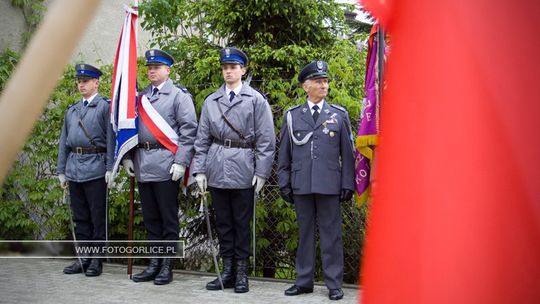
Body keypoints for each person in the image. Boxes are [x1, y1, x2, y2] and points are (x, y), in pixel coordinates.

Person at [191, 47, 275, 293]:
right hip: (217, 166)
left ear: (243, 70)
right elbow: (202, 139)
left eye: (233, 67)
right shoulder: (211, 101)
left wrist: (261, 172)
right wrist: (200, 171)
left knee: (241, 222)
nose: (229, 71)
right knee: (224, 223)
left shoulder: (255, 100)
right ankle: (226, 271)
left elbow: (266, 140)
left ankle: (241, 274)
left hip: (243, 166)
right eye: (225, 67)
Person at [277, 60, 355, 301]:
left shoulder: (338, 115)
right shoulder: (292, 116)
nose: (324, 85)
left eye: (326, 81)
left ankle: (334, 284)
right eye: (319, 82)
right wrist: (284, 182)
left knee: (332, 235)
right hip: (302, 184)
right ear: (305, 86)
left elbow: (347, 153)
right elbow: (284, 153)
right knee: (305, 233)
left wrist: (347, 183)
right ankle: (304, 281)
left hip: (330, 184)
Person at [122, 49, 198, 285]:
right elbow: (132, 129)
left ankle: (166, 266)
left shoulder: (178, 96)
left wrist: (181, 162)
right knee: (151, 220)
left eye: (157, 67)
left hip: (166, 164)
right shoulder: (141, 97)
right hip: (143, 163)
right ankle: (154, 264)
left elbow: (189, 131)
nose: (152, 71)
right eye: (149, 67)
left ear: (168, 70)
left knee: (167, 220)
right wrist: (128, 157)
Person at [57, 63, 115, 277]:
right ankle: (83, 258)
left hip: (95, 168)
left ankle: (96, 260)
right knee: (80, 218)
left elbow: (111, 139)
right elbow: (64, 141)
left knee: (96, 217)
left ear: (96, 83)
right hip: (74, 169)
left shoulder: (104, 107)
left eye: (86, 81)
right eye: (79, 81)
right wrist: (61, 170)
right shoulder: (72, 110)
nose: (81, 84)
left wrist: (110, 168)